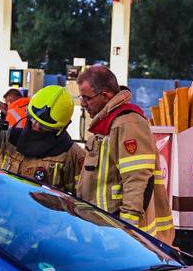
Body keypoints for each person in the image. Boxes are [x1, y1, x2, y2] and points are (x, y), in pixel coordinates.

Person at [75, 65, 175, 243]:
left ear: (105, 96)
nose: (82, 103)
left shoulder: (128, 123)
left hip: (120, 235)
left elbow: (136, 181)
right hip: (105, 229)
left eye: (86, 98)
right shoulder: (106, 125)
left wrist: (127, 232)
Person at [0, 85, 86, 194]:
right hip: (6, 210)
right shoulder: (8, 139)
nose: (35, 125)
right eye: (32, 119)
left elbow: (82, 199)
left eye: (43, 125)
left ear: (60, 128)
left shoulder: (72, 155)